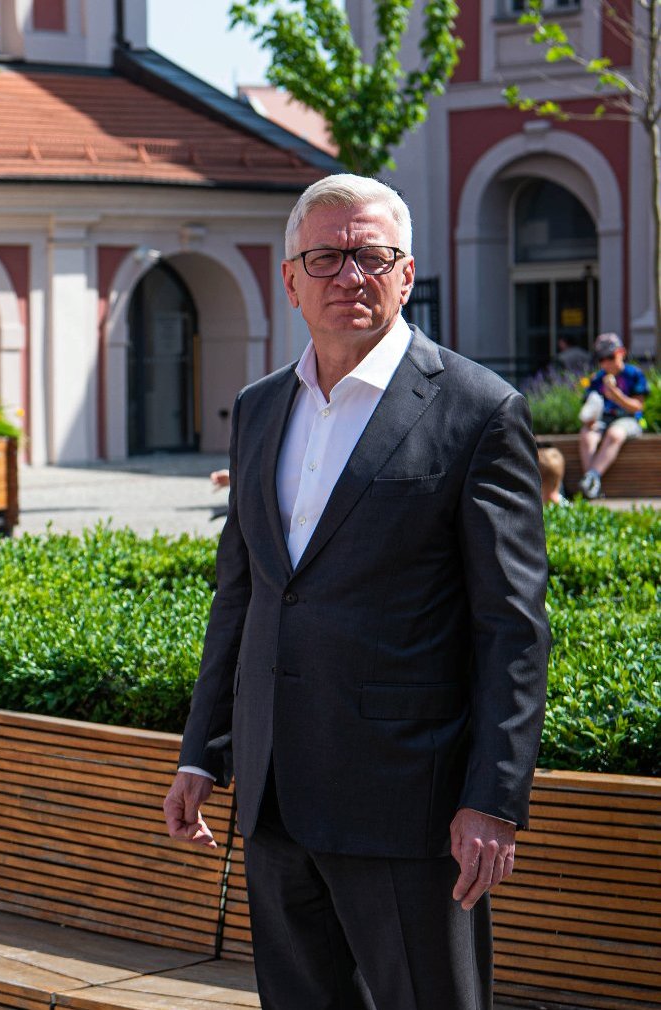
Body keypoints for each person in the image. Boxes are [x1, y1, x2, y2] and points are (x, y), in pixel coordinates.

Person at [162, 174, 549, 1010]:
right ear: (290, 278)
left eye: (371, 256)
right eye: (328, 257)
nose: (351, 276)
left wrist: (492, 799)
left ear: (406, 275)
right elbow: (244, 595)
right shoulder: (261, 408)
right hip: (273, 799)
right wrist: (204, 750)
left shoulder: (480, 411)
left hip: (410, 806)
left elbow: (512, 627)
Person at [577, 332, 648, 499]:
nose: (606, 363)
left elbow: (637, 407)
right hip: (603, 419)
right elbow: (589, 405)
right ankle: (591, 484)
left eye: (609, 357)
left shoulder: (634, 374)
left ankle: (591, 477)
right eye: (601, 359)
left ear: (621, 352)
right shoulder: (598, 378)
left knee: (614, 434)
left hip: (629, 420)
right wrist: (589, 418)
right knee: (587, 435)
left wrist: (616, 395)